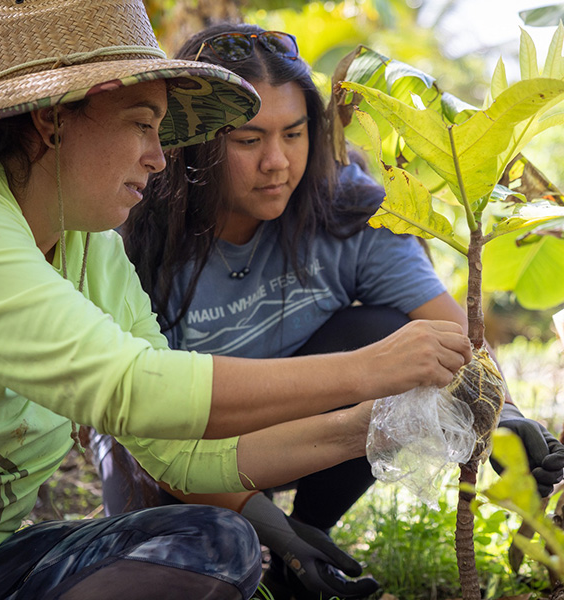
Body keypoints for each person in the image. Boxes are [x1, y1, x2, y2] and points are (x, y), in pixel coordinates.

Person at [0, 2, 476, 599]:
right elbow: (132, 390)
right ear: (53, 122)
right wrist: (367, 370)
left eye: (162, 134)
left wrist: (385, 423)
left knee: (216, 543)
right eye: (140, 124)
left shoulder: (91, 246)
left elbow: (178, 455)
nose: (158, 159)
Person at [95, 21, 564, 600]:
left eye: (294, 134)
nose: (277, 162)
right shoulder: (129, 237)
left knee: (391, 336)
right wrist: (273, 531)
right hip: (166, 449)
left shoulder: (345, 207)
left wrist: (507, 416)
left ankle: (316, 540)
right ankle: (272, 541)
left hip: (300, 430)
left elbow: (447, 331)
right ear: (199, 139)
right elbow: (153, 431)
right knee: (200, 553)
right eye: (248, 140)